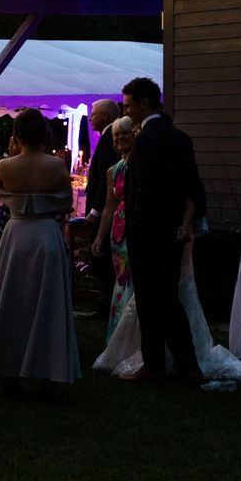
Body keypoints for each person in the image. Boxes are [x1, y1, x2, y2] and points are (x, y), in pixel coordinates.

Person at [0, 109, 80, 389]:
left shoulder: (5, 166)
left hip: (17, 234)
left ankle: (7, 365)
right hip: (45, 233)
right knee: (48, 301)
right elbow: (65, 202)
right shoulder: (56, 166)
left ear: (16, 135)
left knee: (12, 299)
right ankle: (48, 368)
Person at [119, 76, 207, 382]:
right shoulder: (181, 138)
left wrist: (134, 223)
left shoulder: (145, 140)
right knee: (169, 298)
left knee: (148, 300)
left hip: (147, 230)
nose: (127, 111)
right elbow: (193, 186)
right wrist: (186, 222)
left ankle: (154, 364)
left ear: (145, 103)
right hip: (172, 230)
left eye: (129, 105)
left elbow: (143, 189)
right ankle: (187, 363)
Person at [91, 117, 137, 340]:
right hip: (118, 233)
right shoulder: (113, 171)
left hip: (137, 229)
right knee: (121, 282)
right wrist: (100, 237)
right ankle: (119, 336)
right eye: (116, 135)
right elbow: (109, 206)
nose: (119, 137)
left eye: (124, 133)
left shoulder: (142, 165)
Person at [84, 98, 121, 321]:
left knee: (103, 257)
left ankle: (105, 305)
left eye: (94, 113)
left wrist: (95, 211)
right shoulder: (106, 137)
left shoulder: (109, 140)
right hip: (101, 206)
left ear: (106, 117)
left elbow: (105, 180)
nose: (90, 117)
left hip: (104, 210)